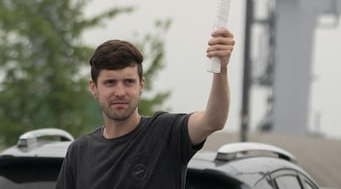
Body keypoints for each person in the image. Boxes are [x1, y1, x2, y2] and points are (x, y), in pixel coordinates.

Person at [55, 28, 235, 189]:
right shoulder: (79, 152)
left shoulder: (166, 134)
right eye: (110, 83)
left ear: (141, 85)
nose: (120, 92)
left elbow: (213, 120)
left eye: (128, 82)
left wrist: (221, 68)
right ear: (94, 88)